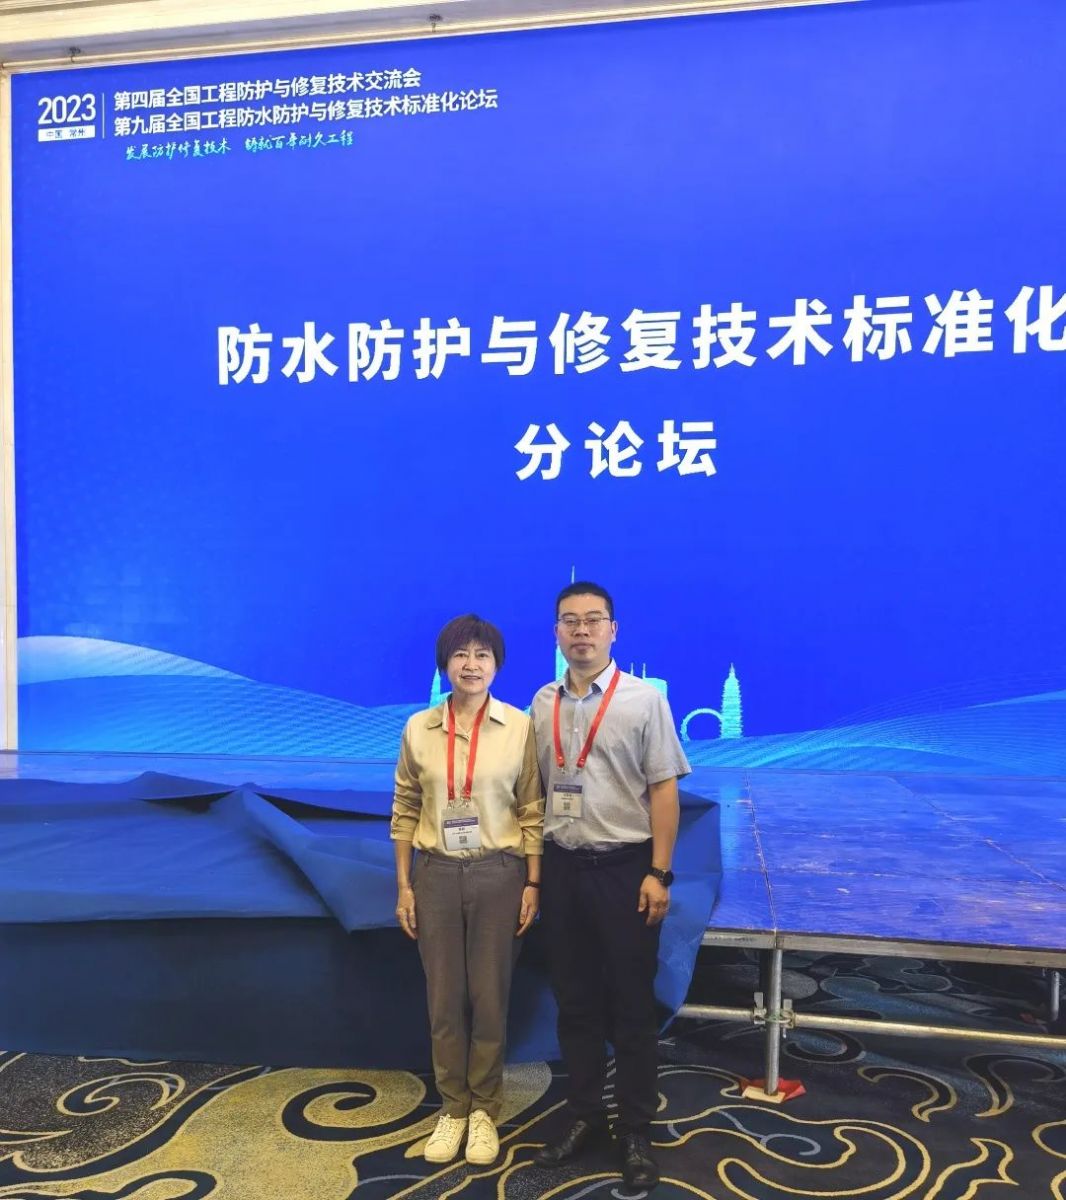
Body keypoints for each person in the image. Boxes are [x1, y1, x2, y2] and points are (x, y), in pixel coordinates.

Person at [530, 582, 690, 1191]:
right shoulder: (542, 703)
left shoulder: (645, 701)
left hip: (626, 870)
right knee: (574, 1003)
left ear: (613, 630)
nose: (582, 630)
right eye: (569, 621)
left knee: (630, 1007)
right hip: (563, 870)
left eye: (593, 620)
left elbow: (664, 791)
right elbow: (536, 791)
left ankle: (635, 1129)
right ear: (556, 632)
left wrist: (660, 871)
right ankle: (585, 1116)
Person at [391, 614, 544, 1167]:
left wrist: (533, 881)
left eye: (482, 655)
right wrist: (404, 885)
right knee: (444, 999)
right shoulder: (418, 728)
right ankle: (453, 1107)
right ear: (445, 664)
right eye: (461, 654)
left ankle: (485, 1109)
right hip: (433, 875)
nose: (471, 664)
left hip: (499, 875)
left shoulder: (520, 727)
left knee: (489, 996)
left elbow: (532, 810)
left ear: (496, 665)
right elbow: (405, 808)